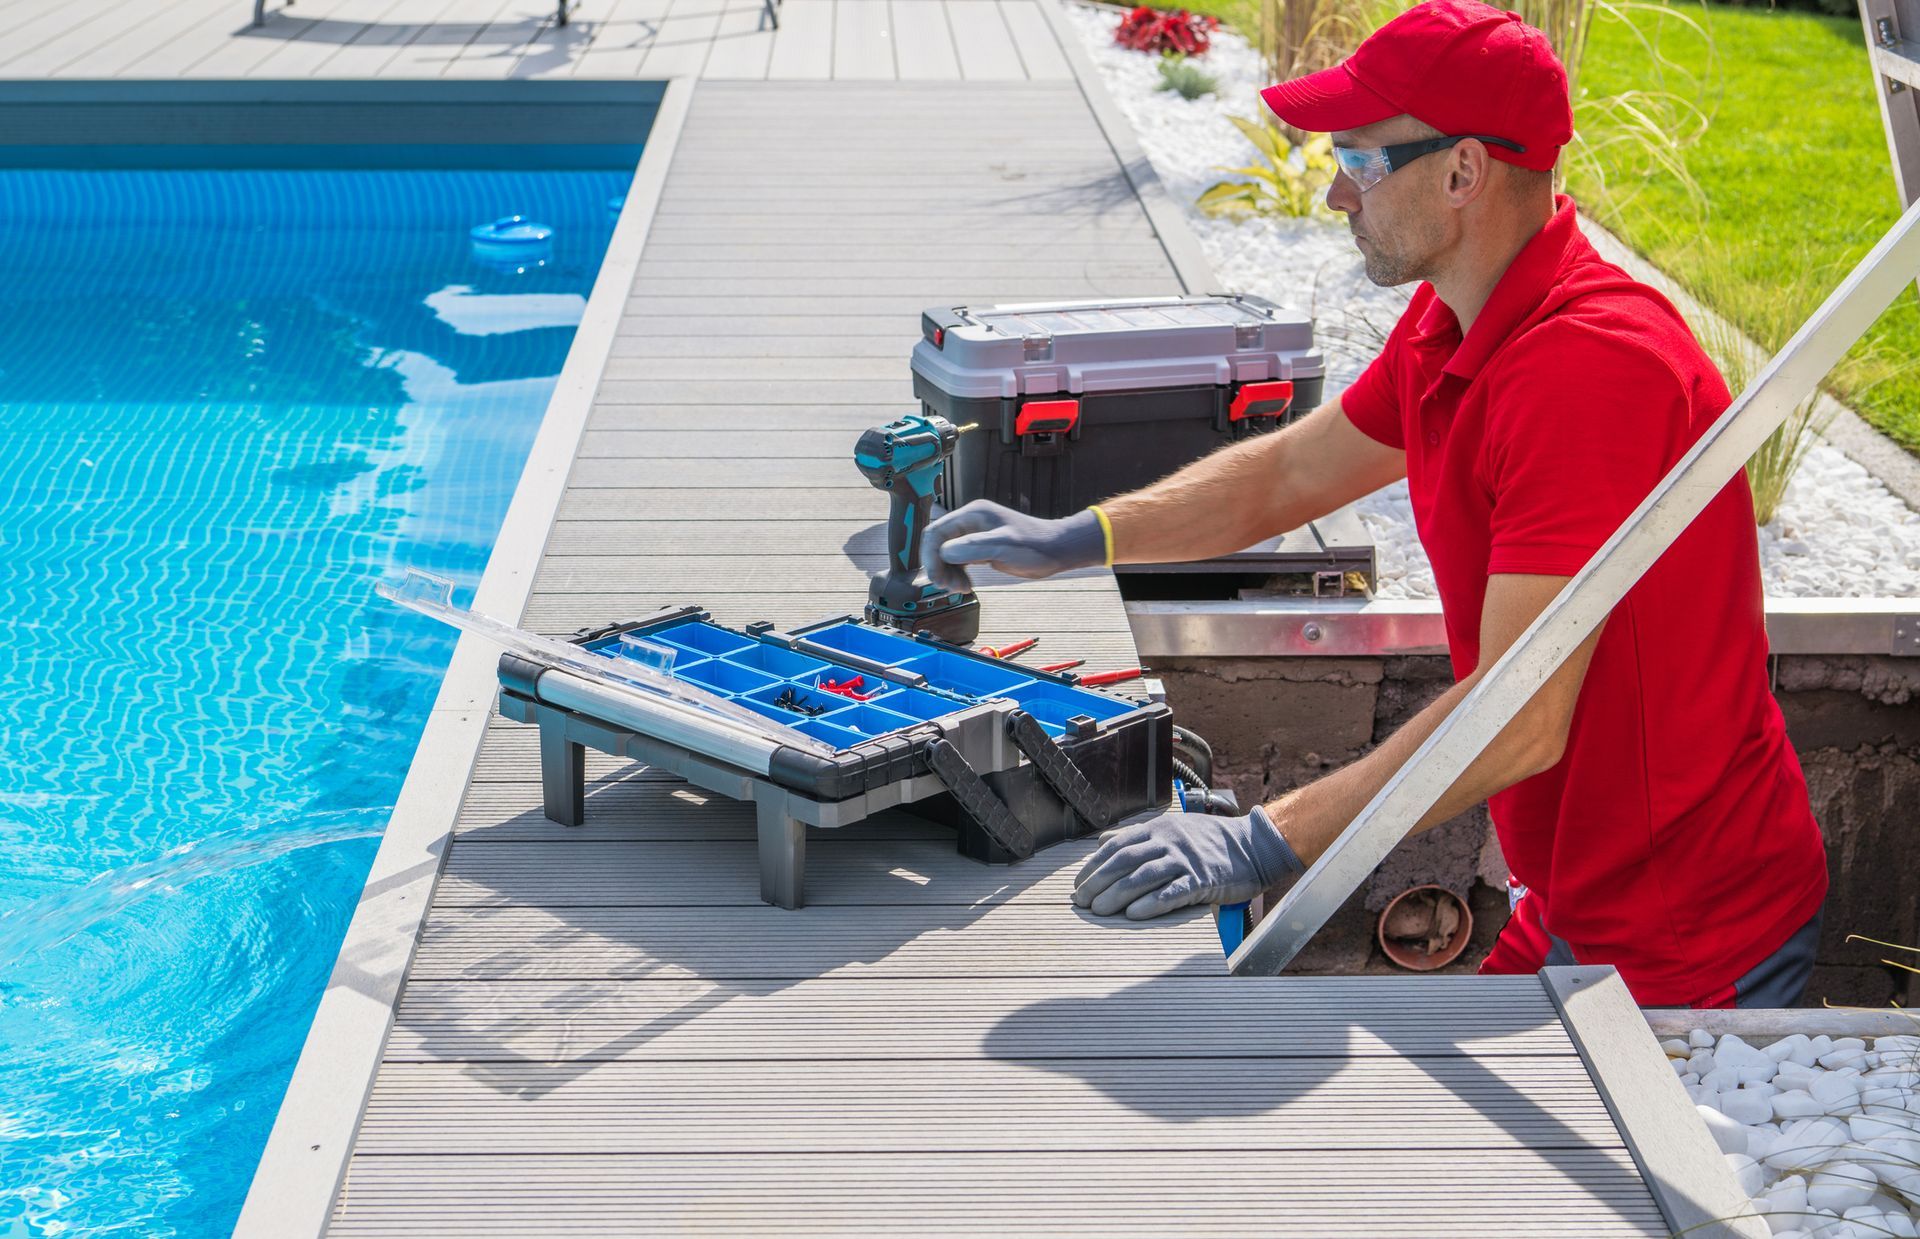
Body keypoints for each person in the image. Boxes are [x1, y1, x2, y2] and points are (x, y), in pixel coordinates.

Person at [921, 0, 1828, 1009]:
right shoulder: (1460, 319)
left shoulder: (1589, 374)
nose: (1334, 197)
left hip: (1689, 939)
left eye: (1358, 161)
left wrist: (1264, 840)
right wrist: (1078, 538)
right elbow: (1286, 478)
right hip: (1572, 898)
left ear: (1462, 172)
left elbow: (1521, 720)